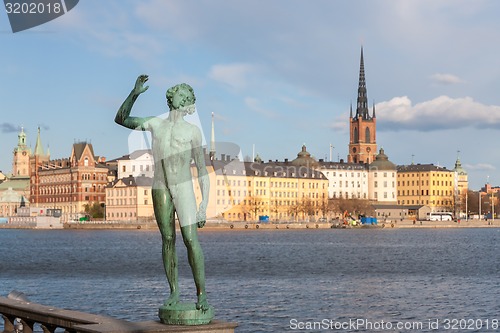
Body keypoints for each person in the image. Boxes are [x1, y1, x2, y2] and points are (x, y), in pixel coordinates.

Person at [115, 75, 210, 312]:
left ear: (187, 101)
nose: (177, 92)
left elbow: (202, 171)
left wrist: (203, 205)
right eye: (177, 91)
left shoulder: (192, 131)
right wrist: (134, 93)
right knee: (167, 240)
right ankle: (174, 292)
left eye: (183, 92)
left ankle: (202, 294)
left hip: (184, 188)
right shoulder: (156, 124)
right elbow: (121, 119)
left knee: (190, 240)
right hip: (160, 187)